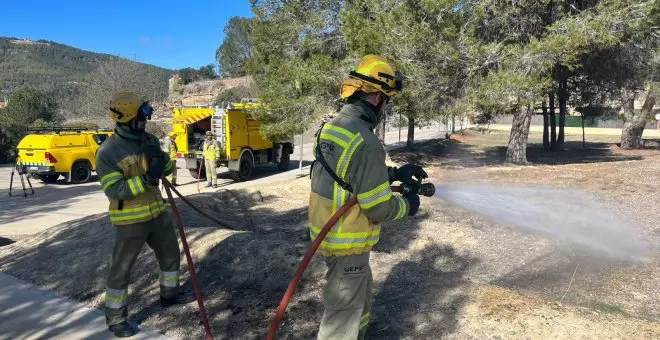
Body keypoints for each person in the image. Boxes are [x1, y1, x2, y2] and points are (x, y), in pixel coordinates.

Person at [309, 55, 427, 340]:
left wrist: (394, 174)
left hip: (327, 235)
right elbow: (377, 208)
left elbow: (348, 172)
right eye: (387, 99)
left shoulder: (332, 127)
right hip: (346, 242)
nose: (385, 106)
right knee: (340, 322)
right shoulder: (366, 141)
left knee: (358, 308)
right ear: (376, 97)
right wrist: (408, 205)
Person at [96, 92, 194, 337]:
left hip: (157, 213)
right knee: (122, 268)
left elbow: (167, 167)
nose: (146, 120)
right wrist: (147, 177)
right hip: (130, 220)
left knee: (170, 255)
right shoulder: (108, 152)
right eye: (142, 116)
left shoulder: (148, 139)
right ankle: (116, 318)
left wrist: (163, 162)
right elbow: (115, 189)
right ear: (129, 118)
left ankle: (170, 296)